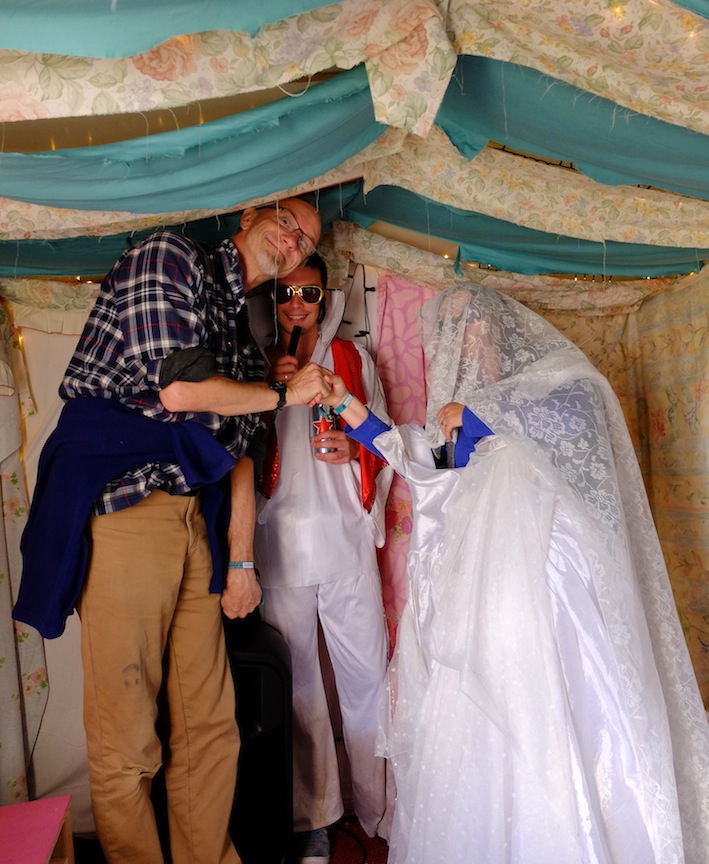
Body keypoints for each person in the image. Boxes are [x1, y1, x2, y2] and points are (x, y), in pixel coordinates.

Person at [317, 283, 709, 864]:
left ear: (500, 330)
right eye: (452, 331)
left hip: (545, 585)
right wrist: (346, 401)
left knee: (554, 708)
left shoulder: (552, 381)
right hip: (481, 592)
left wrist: (484, 414)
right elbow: (417, 458)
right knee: (481, 716)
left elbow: (585, 415)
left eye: (472, 324)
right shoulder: (454, 418)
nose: (464, 340)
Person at [14, 198, 331, 864]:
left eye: (305, 242)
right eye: (286, 223)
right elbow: (181, 390)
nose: (292, 241)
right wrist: (284, 395)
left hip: (195, 520)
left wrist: (241, 561)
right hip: (129, 509)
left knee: (212, 724)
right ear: (251, 215)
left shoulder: (241, 329)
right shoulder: (169, 257)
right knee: (128, 735)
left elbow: (240, 452)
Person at [249, 253, 393, 864]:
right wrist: (270, 391)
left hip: (346, 541)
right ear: (271, 298)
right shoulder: (252, 361)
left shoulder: (353, 359)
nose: (297, 303)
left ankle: (381, 809)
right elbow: (234, 452)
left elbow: (388, 440)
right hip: (280, 548)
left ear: (326, 296)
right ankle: (314, 819)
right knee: (300, 691)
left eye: (309, 292)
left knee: (369, 681)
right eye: (286, 292)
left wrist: (355, 451)